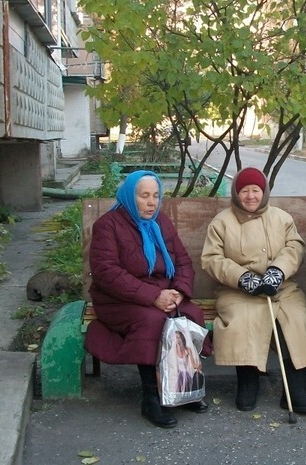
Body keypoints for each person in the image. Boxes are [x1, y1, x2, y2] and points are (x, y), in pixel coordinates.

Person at [84, 170, 212, 429]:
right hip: (119, 300)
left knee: (191, 315)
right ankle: (152, 398)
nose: (152, 202)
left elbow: (183, 261)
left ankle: (184, 387)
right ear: (131, 197)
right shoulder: (108, 225)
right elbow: (107, 273)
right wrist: (153, 296)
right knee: (153, 322)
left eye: (155, 196)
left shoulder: (161, 222)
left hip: (163, 293)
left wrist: (179, 291)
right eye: (144, 196)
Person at [201, 167, 306, 414]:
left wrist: (277, 272)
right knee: (244, 320)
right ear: (236, 193)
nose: (251, 196)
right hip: (237, 290)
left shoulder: (281, 218)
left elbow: (294, 247)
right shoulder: (222, 222)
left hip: (280, 287)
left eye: (256, 190)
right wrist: (244, 278)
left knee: (296, 319)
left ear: (264, 192)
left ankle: (295, 388)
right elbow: (213, 259)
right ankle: (248, 382)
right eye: (245, 191)